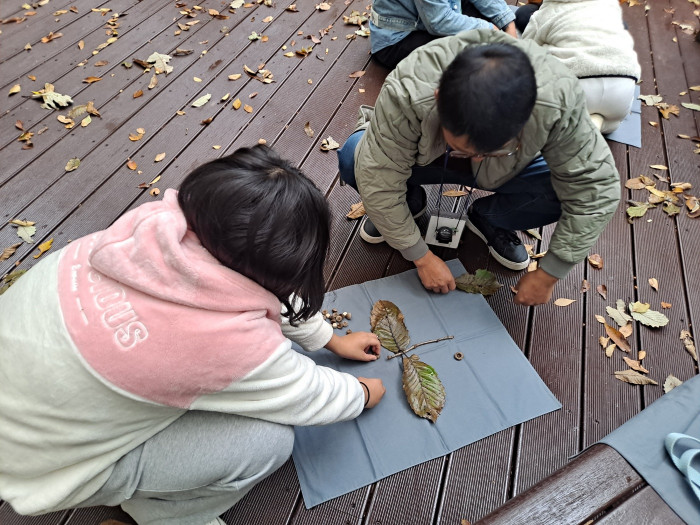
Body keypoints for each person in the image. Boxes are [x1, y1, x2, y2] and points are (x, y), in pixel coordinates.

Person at [0, 146, 386, 525]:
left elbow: (255, 285)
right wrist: (363, 394)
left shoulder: (156, 227)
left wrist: (328, 339)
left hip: (33, 408)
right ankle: (166, 516)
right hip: (45, 469)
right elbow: (308, 397)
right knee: (268, 443)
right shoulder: (227, 345)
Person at [337, 30, 620, 305]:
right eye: (465, 148)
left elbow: (596, 188)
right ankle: (409, 203)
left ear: (528, 116)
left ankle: (492, 218)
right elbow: (378, 175)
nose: (478, 157)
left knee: (562, 189)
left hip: (507, 170)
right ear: (438, 98)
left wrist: (550, 273)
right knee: (354, 158)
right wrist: (420, 256)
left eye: (495, 148)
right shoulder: (408, 89)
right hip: (422, 158)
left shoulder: (557, 97)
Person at [518, 0, 641, 134]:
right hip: (622, 86)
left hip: (575, 84)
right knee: (612, 124)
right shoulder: (610, 4)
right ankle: (597, 122)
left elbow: (527, 50)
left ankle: (568, 122)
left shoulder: (548, 10)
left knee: (539, 55)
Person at [369, 0, 517, 70]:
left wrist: (508, 24)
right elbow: (439, 21)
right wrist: (490, 29)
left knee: (506, 24)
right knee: (472, 57)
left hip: (432, 16)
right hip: (398, 39)